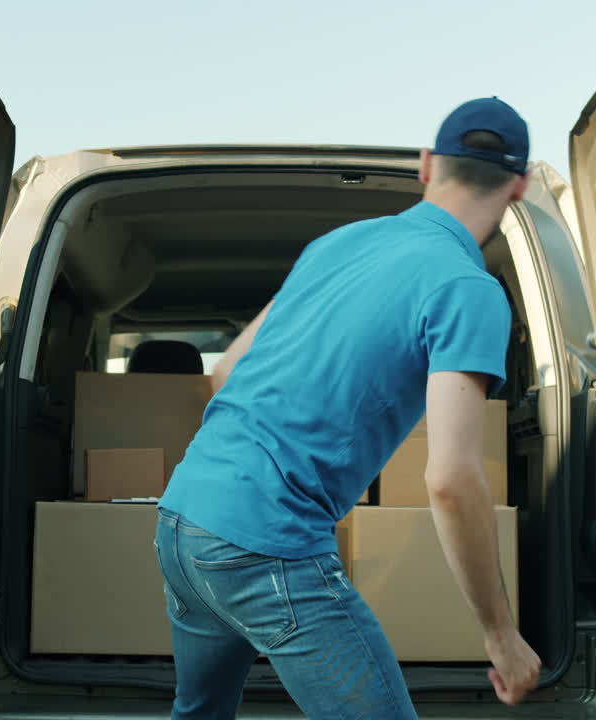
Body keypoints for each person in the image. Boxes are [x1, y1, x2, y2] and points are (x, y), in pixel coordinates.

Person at [155, 97, 542, 719]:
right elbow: (450, 479)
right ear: (518, 186)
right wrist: (501, 634)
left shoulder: (336, 244)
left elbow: (226, 371)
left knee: (199, 713)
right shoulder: (468, 289)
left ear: (426, 165)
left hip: (182, 518)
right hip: (268, 543)